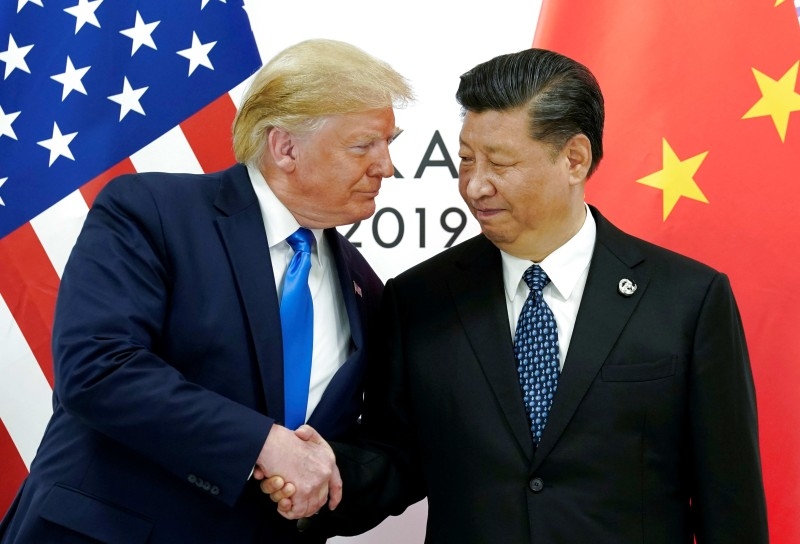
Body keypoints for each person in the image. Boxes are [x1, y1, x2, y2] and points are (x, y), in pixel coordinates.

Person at [267, 47, 769, 543]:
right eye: (466, 160)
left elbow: (730, 501)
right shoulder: (418, 298)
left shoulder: (688, 299)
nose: (475, 186)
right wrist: (324, 475)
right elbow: (395, 457)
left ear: (574, 159)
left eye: (500, 163)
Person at [0, 38, 412, 544]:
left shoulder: (366, 288)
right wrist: (264, 444)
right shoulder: (151, 212)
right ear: (285, 147)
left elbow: (370, 446)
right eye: (363, 145)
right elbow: (98, 366)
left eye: (389, 143)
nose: (386, 166)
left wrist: (323, 472)